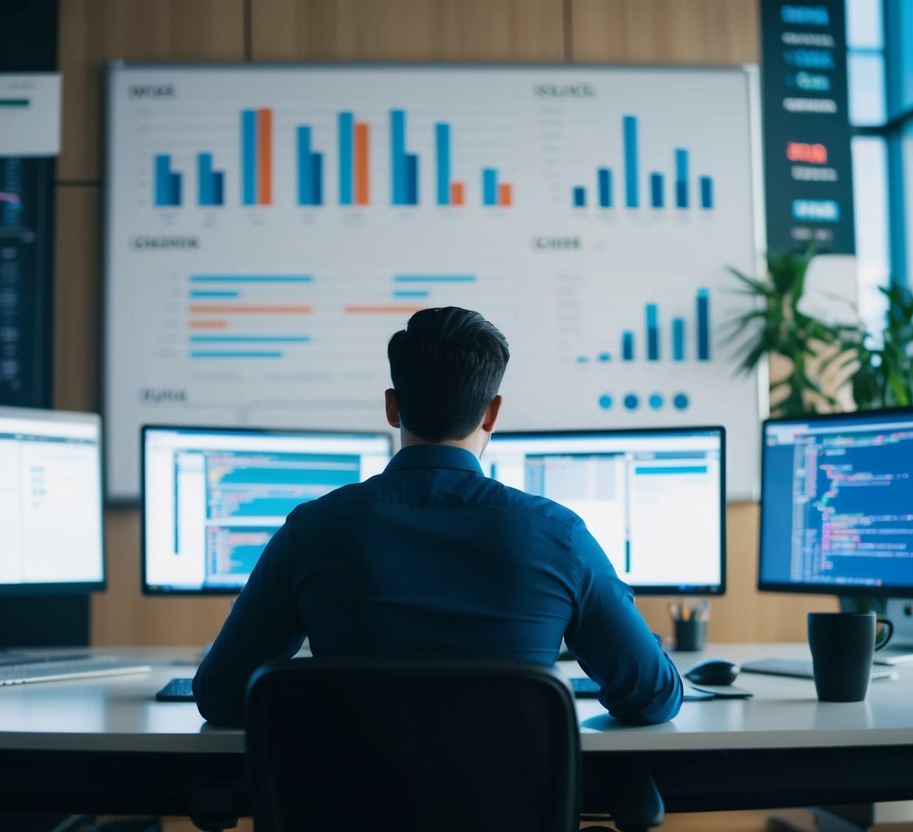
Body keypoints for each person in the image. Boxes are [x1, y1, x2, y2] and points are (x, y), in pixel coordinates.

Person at [193, 306, 683, 727]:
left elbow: (221, 696)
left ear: (392, 407)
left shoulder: (311, 530)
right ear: (492, 413)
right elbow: (652, 697)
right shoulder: (560, 536)